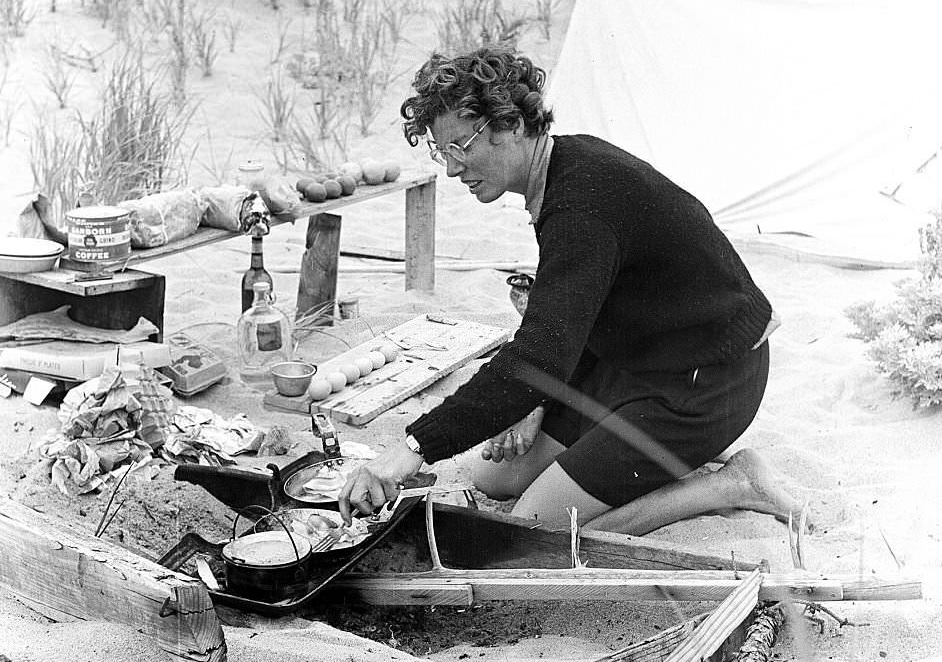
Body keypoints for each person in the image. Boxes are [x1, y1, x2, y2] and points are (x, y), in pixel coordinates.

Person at [338, 46, 803, 535]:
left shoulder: (581, 206)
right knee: (495, 476)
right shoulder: (564, 165)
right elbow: (575, 319)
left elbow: (540, 354)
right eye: (442, 151)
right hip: (637, 360)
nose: (453, 169)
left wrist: (411, 448)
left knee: (538, 527)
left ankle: (732, 484)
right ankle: (656, 459)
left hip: (705, 384)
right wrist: (534, 402)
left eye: (462, 146)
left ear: (511, 125)